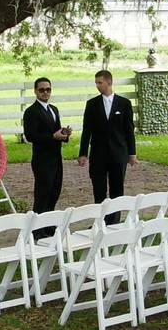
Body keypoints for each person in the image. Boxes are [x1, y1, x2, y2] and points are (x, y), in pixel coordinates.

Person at [78, 70, 137, 225]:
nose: (97, 86)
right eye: (96, 83)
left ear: (109, 82)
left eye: (100, 82)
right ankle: (101, 220)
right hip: (98, 154)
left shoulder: (124, 104)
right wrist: (83, 153)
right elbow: (87, 130)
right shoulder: (92, 105)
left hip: (119, 153)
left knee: (117, 188)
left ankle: (115, 221)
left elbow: (129, 130)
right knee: (99, 188)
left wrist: (132, 153)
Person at [23, 77, 71, 234]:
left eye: (48, 89)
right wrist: (52, 137)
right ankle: (36, 229)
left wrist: (64, 133)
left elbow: (56, 130)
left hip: (56, 158)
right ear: (35, 91)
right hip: (42, 159)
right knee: (43, 193)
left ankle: (48, 224)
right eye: (42, 89)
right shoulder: (31, 111)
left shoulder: (54, 109)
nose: (45, 92)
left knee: (54, 192)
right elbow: (30, 136)